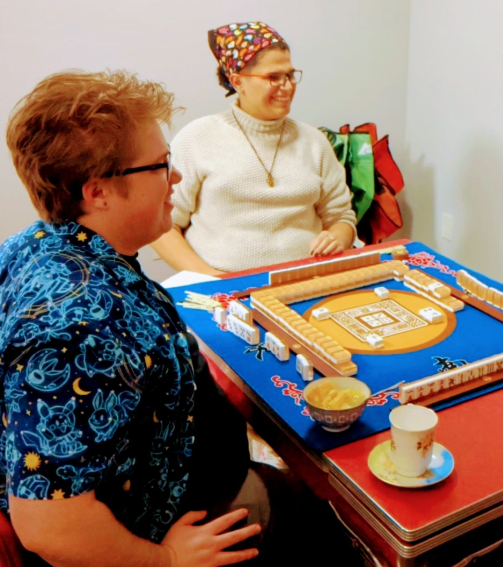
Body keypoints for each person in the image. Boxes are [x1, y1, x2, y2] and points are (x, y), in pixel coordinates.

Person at [1, 70, 297, 566]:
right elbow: (47, 527)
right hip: (161, 528)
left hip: (167, 471)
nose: (176, 178)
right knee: (302, 507)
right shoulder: (77, 329)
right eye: (161, 165)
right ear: (98, 192)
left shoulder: (36, 243)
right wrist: (168, 560)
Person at [151, 21, 357, 276]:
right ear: (238, 81)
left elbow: (342, 218)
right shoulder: (198, 137)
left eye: (290, 75)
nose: (288, 86)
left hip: (306, 279)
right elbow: (162, 227)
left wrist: (338, 237)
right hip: (219, 283)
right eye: (273, 77)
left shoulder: (313, 141)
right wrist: (214, 280)